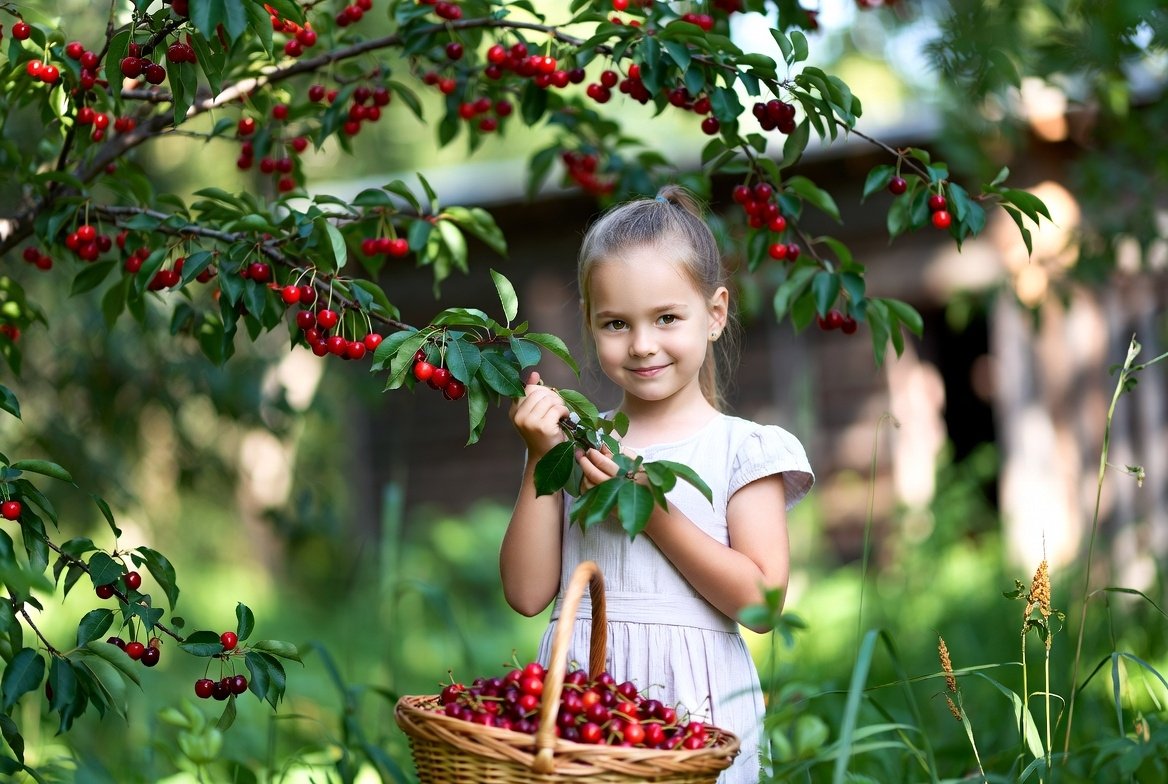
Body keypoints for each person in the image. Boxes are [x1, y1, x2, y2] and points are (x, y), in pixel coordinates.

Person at [500, 185, 814, 783]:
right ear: (590, 325)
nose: (642, 344)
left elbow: (762, 603)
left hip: (697, 712)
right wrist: (540, 459)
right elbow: (526, 592)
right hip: (581, 712)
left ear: (715, 314)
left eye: (667, 318)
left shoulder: (740, 450)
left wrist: (648, 505)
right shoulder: (575, 443)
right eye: (616, 323)